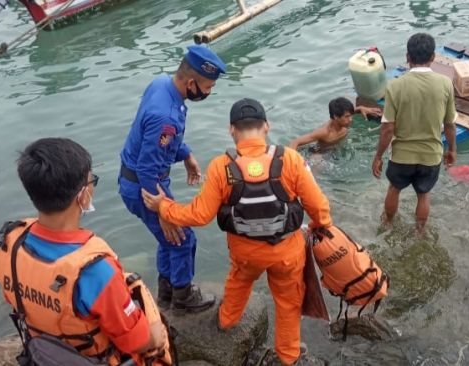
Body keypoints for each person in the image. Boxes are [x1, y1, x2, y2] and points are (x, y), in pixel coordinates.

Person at [141, 98, 333, 366]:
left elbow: (199, 215)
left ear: (232, 130)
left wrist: (164, 207)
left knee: (239, 282)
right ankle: (288, 356)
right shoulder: (289, 159)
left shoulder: (221, 166)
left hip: (245, 254)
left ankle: (227, 321)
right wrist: (320, 224)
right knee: (288, 303)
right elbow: (318, 205)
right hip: (287, 253)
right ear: (266, 126)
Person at [0, 138, 168, 365]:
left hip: (42, 354)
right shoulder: (96, 271)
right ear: (83, 196)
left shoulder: (8, 245)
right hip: (92, 359)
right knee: (146, 310)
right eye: (91, 180)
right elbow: (137, 342)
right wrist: (156, 335)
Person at [118, 45, 226, 315]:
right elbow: (146, 167)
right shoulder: (165, 117)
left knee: (169, 240)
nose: (208, 93)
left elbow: (153, 141)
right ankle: (182, 296)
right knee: (182, 238)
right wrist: (162, 210)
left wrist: (186, 154)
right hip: (146, 184)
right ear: (191, 83)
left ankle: (165, 292)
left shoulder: (162, 84)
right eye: (207, 87)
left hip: (139, 179)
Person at [371, 33, 457, 234]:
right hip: (431, 155)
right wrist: (452, 149)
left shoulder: (395, 85)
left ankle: (387, 224)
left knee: (394, 188)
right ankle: (419, 231)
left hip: (402, 155)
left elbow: (387, 129)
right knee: (423, 195)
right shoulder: (445, 84)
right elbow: (450, 124)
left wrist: (378, 156)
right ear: (433, 56)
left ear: (407, 57)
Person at [288, 97, 382, 151]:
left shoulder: (344, 123)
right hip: (321, 152)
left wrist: (362, 108)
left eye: (351, 115)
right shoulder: (324, 132)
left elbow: (351, 112)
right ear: (336, 117)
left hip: (337, 147)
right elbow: (295, 142)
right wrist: (292, 162)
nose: (351, 119)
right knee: (317, 167)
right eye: (347, 117)